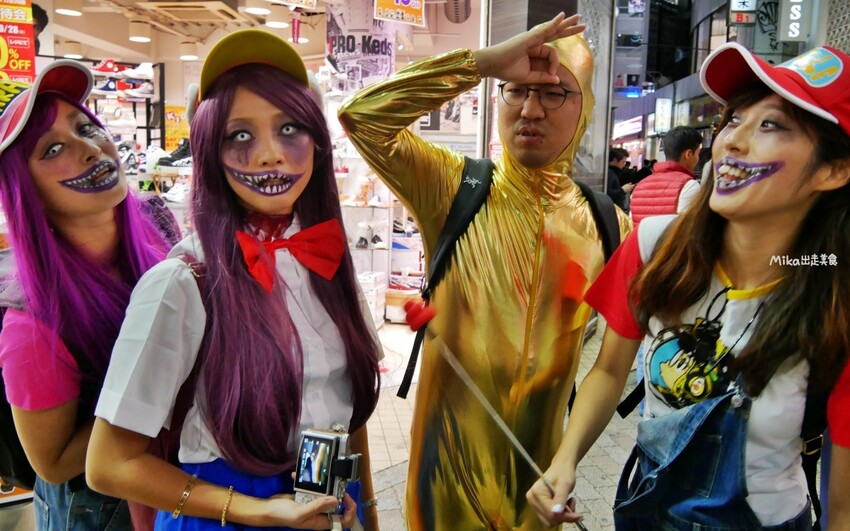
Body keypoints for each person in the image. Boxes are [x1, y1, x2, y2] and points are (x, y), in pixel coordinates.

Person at [527, 42, 850, 529]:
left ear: (832, 170)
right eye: (735, 119)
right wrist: (564, 460)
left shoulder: (834, 295)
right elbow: (609, 372)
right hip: (645, 511)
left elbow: (843, 508)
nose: (732, 142)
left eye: (771, 126)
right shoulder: (655, 246)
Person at [339, 12, 630, 530]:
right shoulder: (452, 187)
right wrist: (480, 64)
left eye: (554, 93)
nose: (530, 109)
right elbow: (361, 117)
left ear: (585, 106)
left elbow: (610, 368)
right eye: (516, 90)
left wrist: (568, 460)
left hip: (539, 489)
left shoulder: (610, 226)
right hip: (443, 488)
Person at [85, 29, 382, 531]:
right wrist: (259, 510)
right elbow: (109, 463)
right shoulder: (182, 282)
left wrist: (366, 518)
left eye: (290, 128)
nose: (269, 155)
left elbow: (349, 423)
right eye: (239, 135)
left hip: (328, 507)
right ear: (209, 151)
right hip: (224, 513)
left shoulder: (331, 266)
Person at [0, 60, 174, 530]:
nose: (90, 149)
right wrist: (160, 390)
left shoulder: (158, 225)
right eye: (53, 148)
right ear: (26, 190)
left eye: (85, 127)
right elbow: (53, 462)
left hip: (177, 482)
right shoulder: (33, 322)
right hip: (99, 511)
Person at [629, 125, 703, 228]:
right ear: (688, 154)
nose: (698, 158)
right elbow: (688, 230)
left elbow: (632, 226)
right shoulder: (689, 186)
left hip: (640, 239)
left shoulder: (639, 186)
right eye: (698, 154)